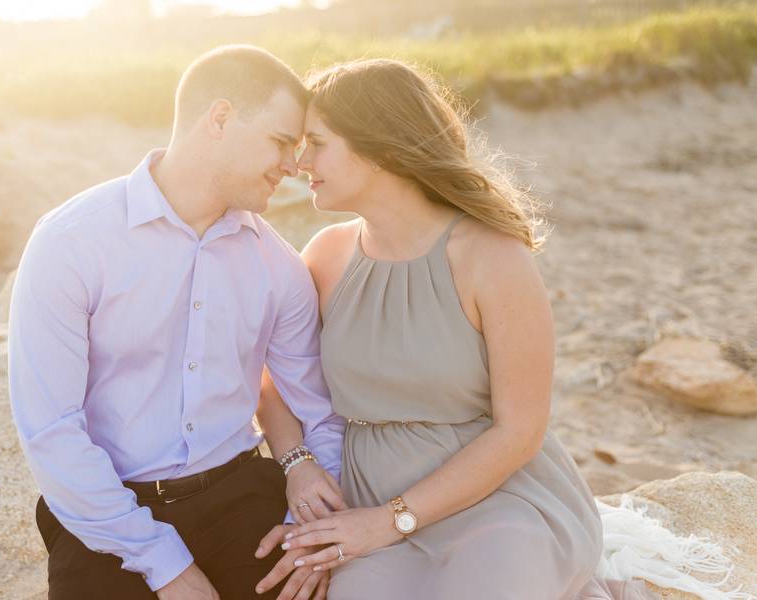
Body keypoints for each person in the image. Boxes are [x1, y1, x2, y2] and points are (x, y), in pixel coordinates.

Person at [254, 59, 654, 600]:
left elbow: (520, 431)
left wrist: (389, 521)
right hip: (369, 505)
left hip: (499, 503)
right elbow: (275, 380)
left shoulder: (492, 257)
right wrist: (297, 464)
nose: (300, 161)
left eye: (318, 143)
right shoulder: (326, 256)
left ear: (379, 150)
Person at [7, 45, 346, 600]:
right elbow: (51, 431)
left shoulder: (278, 267)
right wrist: (165, 565)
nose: (293, 165)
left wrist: (306, 521)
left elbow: (319, 413)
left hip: (241, 498)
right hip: (107, 512)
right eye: (282, 142)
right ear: (220, 118)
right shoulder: (70, 243)